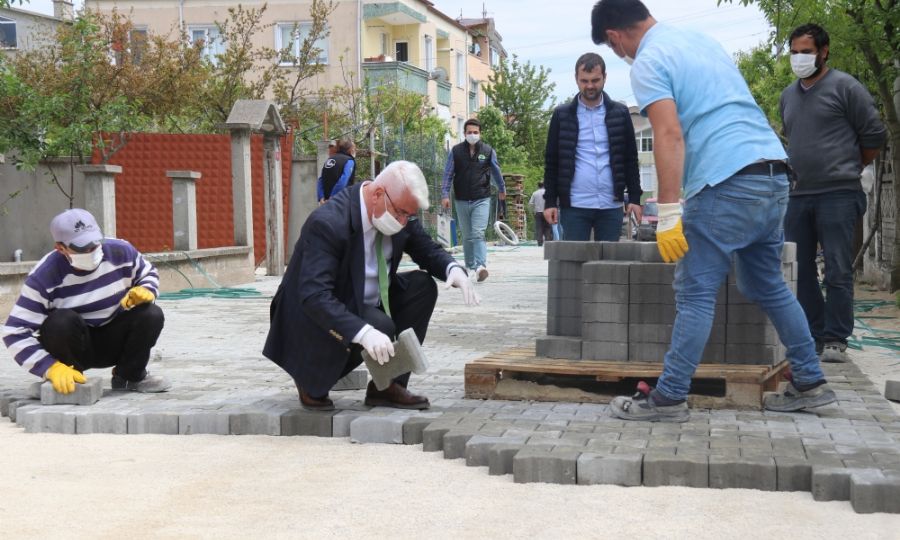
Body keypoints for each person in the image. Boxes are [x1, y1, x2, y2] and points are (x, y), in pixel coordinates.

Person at [591, 0, 835, 421]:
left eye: (614, 49)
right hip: (774, 174)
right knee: (768, 285)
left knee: (696, 292)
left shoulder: (648, 61)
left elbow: (668, 135)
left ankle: (669, 397)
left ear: (614, 37)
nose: (620, 55)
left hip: (727, 181)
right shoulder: (698, 40)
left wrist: (668, 213)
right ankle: (811, 382)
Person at [264, 160, 479, 411]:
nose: (402, 222)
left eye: (408, 216)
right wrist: (363, 332)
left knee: (422, 287)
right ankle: (309, 374)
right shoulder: (328, 223)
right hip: (312, 320)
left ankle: (386, 386)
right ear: (378, 194)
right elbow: (314, 296)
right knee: (379, 324)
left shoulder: (398, 210)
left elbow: (427, 249)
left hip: (364, 300)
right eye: (399, 213)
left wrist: (453, 270)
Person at [780, 23, 887, 363]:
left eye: (806, 52)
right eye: (794, 53)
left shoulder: (845, 87)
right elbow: (792, 137)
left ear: (823, 51)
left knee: (838, 268)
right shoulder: (788, 95)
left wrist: (850, 166)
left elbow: (874, 136)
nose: (799, 58)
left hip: (839, 193)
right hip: (798, 195)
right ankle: (814, 332)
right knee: (800, 268)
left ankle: (836, 338)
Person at [1, 209, 169, 394]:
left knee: (151, 314)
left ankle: (129, 376)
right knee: (60, 322)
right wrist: (49, 367)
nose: (91, 250)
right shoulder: (44, 276)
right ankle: (71, 379)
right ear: (61, 248)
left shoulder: (121, 251)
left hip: (114, 338)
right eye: (82, 248)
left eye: (95, 244)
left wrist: (147, 289)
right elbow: (14, 332)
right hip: (75, 345)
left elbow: (148, 273)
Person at [543, 52, 642, 242]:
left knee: (609, 266)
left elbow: (630, 159)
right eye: (584, 80)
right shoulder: (561, 115)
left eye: (595, 80)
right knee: (574, 264)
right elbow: (552, 162)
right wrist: (549, 201)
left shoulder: (620, 114)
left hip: (610, 204)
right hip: (574, 204)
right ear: (576, 79)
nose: (590, 86)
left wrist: (635, 199)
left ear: (605, 77)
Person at [441, 119, 506, 282]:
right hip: (461, 199)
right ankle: (470, 266)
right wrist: (444, 194)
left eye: (475, 132)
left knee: (478, 233)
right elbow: (448, 174)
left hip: (482, 198)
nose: (472, 135)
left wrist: (502, 189)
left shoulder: (488, 150)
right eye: (469, 132)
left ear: (480, 133)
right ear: (464, 134)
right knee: (467, 235)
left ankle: (480, 266)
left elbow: (496, 171)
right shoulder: (456, 151)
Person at [317, 137, 357, 205]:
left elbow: (321, 179)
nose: (355, 150)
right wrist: (332, 197)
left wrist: (321, 197)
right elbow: (343, 180)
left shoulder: (329, 160)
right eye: (354, 148)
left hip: (325, 202)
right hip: (340, 201)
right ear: (350, 149)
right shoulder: (349, 161)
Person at [529, 182, 552, 246]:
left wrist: (533, 210)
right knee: (548, 227)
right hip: (547, 212)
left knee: (539, 227)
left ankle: (540, 242)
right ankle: (548, 242)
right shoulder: (548, 192)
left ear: (538, 186)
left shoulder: (535, 193)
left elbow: (530, 203)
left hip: (538, 212)